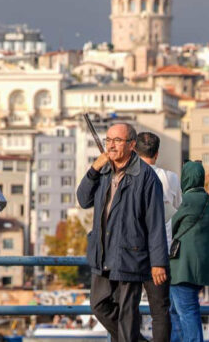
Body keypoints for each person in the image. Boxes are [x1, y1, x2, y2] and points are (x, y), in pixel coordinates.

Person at [76, 123, 169, 342]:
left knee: (128, 315)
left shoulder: (146, 177)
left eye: (117, 141)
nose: (111, 145)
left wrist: (158, 262)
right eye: (108, 140)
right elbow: (83, 199)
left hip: (131, 254)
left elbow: (155, 222)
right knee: (98, 305)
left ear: (132, 145)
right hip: (103, 253)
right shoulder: (104, 170)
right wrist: (93, 169)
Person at [132, 132, 182, 342]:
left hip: (132, 252)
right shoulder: (169, 178)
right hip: (162, 253)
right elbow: (179, 208)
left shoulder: (128, 176)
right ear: (157, 153)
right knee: (160, 311)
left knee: (128, 308)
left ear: (134, 151)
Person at [169, 161, 209, 342]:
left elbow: (169, 229)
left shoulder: (181, 201)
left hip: (180, 266)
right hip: (204, 266)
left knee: (187, 311)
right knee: (175, 310)